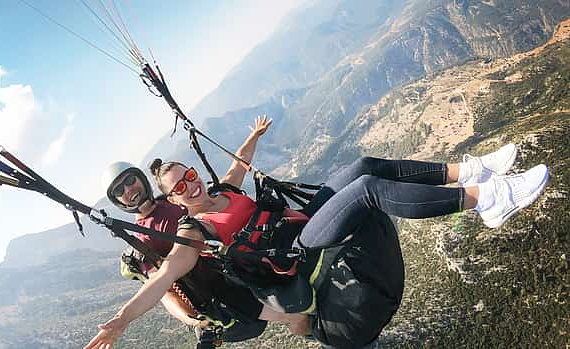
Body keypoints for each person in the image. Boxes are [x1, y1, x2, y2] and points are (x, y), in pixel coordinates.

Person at [86, 115, 549, 348]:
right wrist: (123, 321)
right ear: (175, 200)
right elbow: (166, 277)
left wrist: (256, 136)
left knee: (361, 166)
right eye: (180, 187)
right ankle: (488, 201)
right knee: (367, 189)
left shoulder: (222, 190)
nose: (190, 185)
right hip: (300, 251)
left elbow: (238, 164)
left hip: (303, 222)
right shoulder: (195, 229)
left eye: (189, 176)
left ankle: (472, 170)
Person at [97, 116, 279, 347]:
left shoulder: (173, 197)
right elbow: (164, 286)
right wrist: (193, 321)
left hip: (245, 254)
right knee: (299, 316)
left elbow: (230, 177)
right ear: (117, 201)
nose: (129, 189)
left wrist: (253, 136)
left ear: (141, 178)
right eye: (119, 190)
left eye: (130, 180)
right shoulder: (143, 238)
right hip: (225, 288)